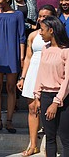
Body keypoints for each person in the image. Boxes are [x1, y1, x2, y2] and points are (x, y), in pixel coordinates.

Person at [17, 5, 57, 156]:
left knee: (48, 110)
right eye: (40, 16)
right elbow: (28, 57)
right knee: (33, 109)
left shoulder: (56, 35)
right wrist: (23, 77)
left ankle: (50, 146)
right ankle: (33, 145)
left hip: (49, 73)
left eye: (45, 16)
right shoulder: (33, 35)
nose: (41, 19)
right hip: (33, 72)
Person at [0, 0, 26, 134]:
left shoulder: (18, 15)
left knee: (10, 88)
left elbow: (22, 37)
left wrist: (21, 57)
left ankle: (9, 121)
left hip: (12, 54)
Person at [34, 16, 69, 157]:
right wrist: (37, 96)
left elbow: (67, 80)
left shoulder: (65, 51)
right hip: (45, 96)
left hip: (63, 99)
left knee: (65, 138)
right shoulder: (45, 49)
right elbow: (40, 74)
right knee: (49, 137)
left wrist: (56, 102)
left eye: (42, 30)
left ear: (51, 30)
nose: (40, 33)